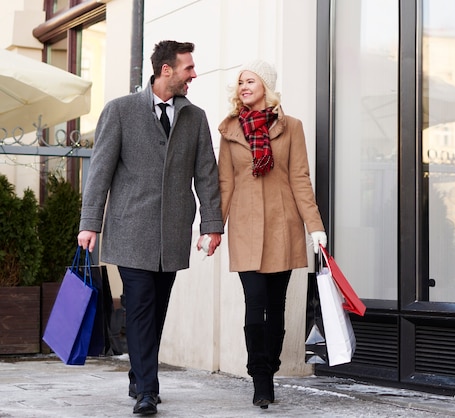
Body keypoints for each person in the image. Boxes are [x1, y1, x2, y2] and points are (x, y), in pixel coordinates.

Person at [77, 40, 223, 415]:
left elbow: (207, 174)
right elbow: (100, 173)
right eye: (188, 67)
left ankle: (138, 375)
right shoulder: (121, 111)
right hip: (130, 231)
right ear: (166, 70)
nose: (194, 74)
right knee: (140, 306)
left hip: (172, 233)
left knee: (156, 311)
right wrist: (89, 223)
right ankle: (147, 390)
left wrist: (212, 225)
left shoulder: (195, 117)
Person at [217, 60, 327, 409]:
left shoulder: (291, 127)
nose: (243, 87)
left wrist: (316, 227)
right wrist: (212, 228)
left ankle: (271, 362)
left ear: (266, 84)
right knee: (255, 305)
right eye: (240, 82)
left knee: (277, 309)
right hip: (246, 229)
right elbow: (224, 184)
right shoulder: (230, 130)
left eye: (250, 80)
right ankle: (259, 376)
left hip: (283, 227)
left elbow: (300, 179)